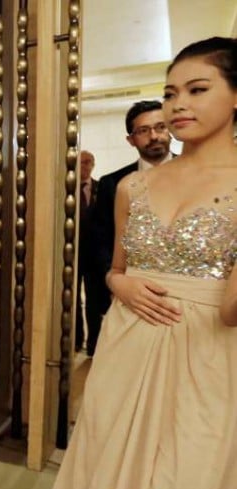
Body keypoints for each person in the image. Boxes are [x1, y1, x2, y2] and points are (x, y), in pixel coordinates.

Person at [35, 37, 237, 489]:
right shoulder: (134, 186)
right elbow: (116, 269)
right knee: (108, 488)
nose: (178, 104)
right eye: (172, 90)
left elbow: (231, 310)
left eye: (197, 89)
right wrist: (118, 285)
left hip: (208, 354)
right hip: (128, 345)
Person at [89, 100, 176, 353]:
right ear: (131, 140)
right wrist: (116, 282)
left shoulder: (201, 175)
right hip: (130, 295)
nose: (154, 136)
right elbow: (102, 239)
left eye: (160, 127)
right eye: (144, 130)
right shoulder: (114, 183)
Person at [74, 150, 99, 353]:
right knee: (72, 299)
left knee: (93, 299)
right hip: (71, 254)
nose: (85, 166)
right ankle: (75, 339)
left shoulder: (102, 189)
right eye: (81, 162)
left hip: (94, 256)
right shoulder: (66, 190)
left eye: (88, 162)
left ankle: (93, 343)